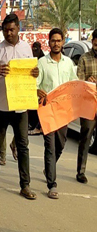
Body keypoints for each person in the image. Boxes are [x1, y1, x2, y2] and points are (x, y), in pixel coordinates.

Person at [0, 13, 39, 199]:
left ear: (18, 28)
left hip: (21, 106)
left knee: (23, 146)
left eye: (12, 29)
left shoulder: (26, 48)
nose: (9, 33)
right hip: (1, 105)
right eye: (6, 30)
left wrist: (35, 73)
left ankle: (25, 185)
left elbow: (31, 73)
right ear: (3, 30)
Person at [35, 28, 76, 199]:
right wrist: (38, 91)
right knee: (50, 147)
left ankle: (48, 168)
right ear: (49, 42)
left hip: (64, 110)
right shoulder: (42, 63)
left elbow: (74, 83)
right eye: (53, 40)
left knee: (60, 144)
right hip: (47, 110)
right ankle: (52, 183)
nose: (56, 43)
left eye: (59, 40)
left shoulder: (68, 63)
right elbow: (36, 84)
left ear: (63, 41)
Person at [75, 28, 97, 184]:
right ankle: (81, 171)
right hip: (88, 104)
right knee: (86, 136)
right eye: (96, 43)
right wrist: (89, 81)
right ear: (93, 42)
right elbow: (79, 82)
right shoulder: (84, 58)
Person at [28, 41, 45, 136]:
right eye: (33, 48)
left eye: (36, 48)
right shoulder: (31, 55)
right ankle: (33, 125)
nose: (35, 50)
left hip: (40, 86)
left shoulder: (42, 59)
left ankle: (37, 126)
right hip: (33, 85)